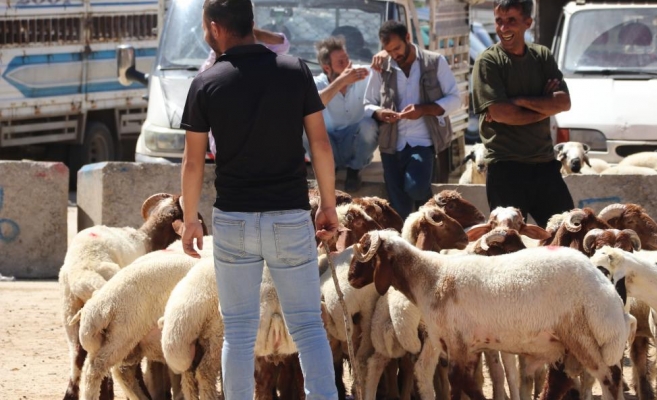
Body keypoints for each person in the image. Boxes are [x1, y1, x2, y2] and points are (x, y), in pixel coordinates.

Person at [178, 1, 339, 399]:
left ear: (215, 28)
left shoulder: (206, 82)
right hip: (289, 215)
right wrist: (329, 205)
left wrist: (190, 217)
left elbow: (193, 161)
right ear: (252, 23)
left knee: (238, 330)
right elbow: (319, 143)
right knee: (306, 326)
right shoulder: (295, 71)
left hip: (233, 219)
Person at [471, 0, 573, 227]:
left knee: (568, 233)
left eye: (511, 21)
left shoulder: (542, 56)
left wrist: (519, 101)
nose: (503, 28)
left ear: (528, 22)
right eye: (499, 21)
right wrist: (544, 106)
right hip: (506, 168)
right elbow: (501, 113)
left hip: (545, 165)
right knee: (509, 244)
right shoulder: (488, 61)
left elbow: (564, 103)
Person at [364, 20, 461, 219]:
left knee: (416, 188)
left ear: (408, 38)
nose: (394, 55)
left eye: (397, 48)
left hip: (423, 142)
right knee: (399, 208)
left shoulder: (434, 62)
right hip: (391, 143)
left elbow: (455, 99)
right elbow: (367, 103)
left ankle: (429, 209)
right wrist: (380, 113)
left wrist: (423, 109)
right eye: (388, 51)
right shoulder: (382, 66)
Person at [200, 27, 290, 157]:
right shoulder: (212, 67)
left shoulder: (261, 58)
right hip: (229, 155)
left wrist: (250, 30)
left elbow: (282, 43)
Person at [309, 36, 377, 192]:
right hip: (327, 145)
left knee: (369, 125)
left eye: (347, 59)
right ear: (327, 68)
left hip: (353, 144)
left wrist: (383, 56)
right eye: (340, 63)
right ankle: (327, 170)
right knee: (305, 127)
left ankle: (355, 170)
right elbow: (312, 104)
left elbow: (383, 66)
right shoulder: (317, 82)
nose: (347, 65)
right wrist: (342, 81)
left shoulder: (361, 74)